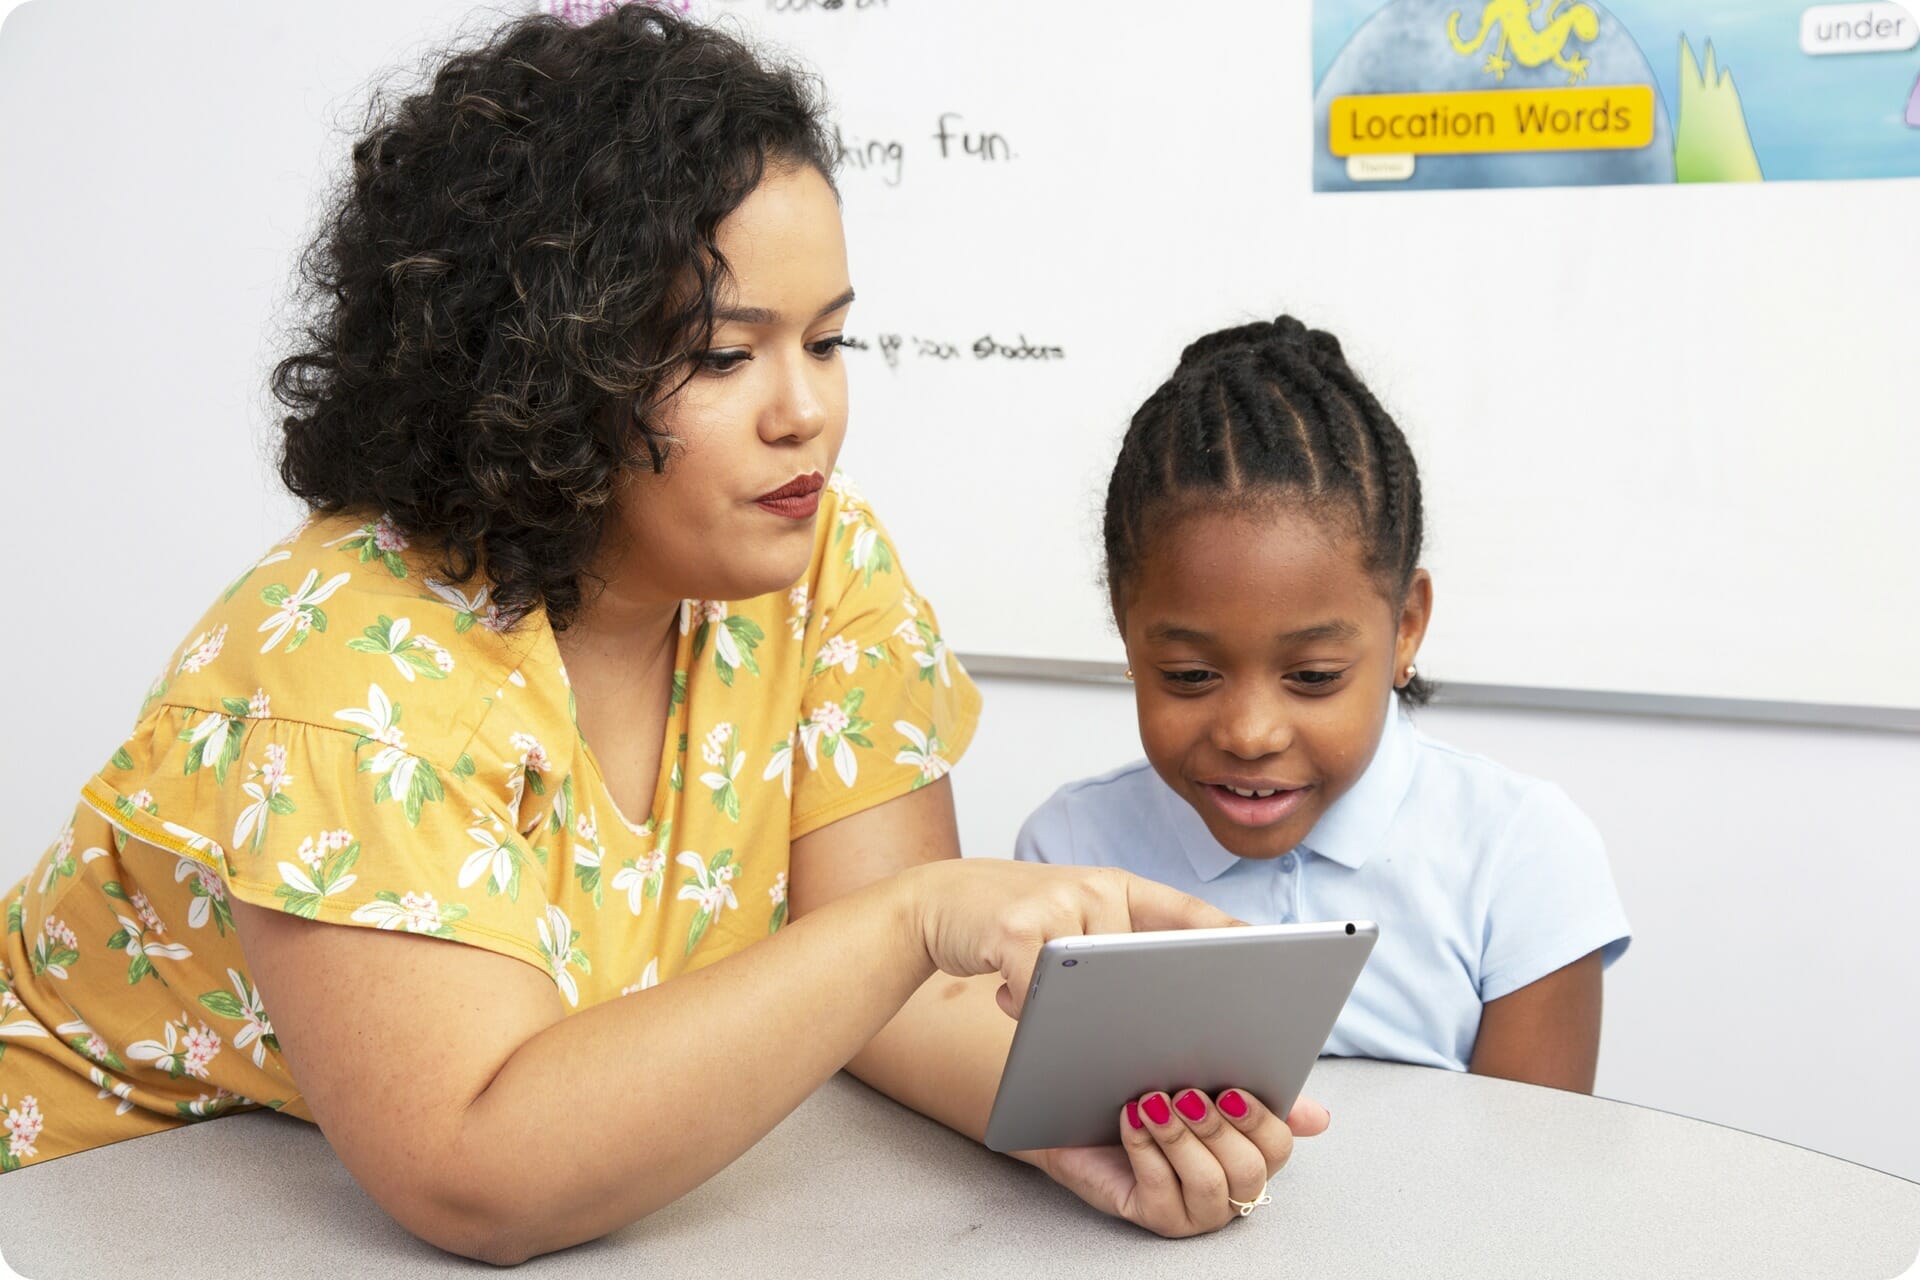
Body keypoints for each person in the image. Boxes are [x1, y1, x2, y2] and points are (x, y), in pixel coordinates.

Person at [0, 8, 1325, 1260]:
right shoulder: (353, 657)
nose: (806, 412)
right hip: (79, 1205)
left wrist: (1091, 1119)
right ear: (535, 369)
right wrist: (918, 918)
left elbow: (891, 996)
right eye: (724, 355)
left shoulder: (818, 572)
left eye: (829, 340)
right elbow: (480, 1166)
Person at [1017, 315, 1632, 1090]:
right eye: (1188, 674)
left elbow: (1531, 1182)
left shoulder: (1520, 853)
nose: (1250, 733)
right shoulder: (1067, 851)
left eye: (1312, 677)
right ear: (1127, 629)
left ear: (1406, 628)